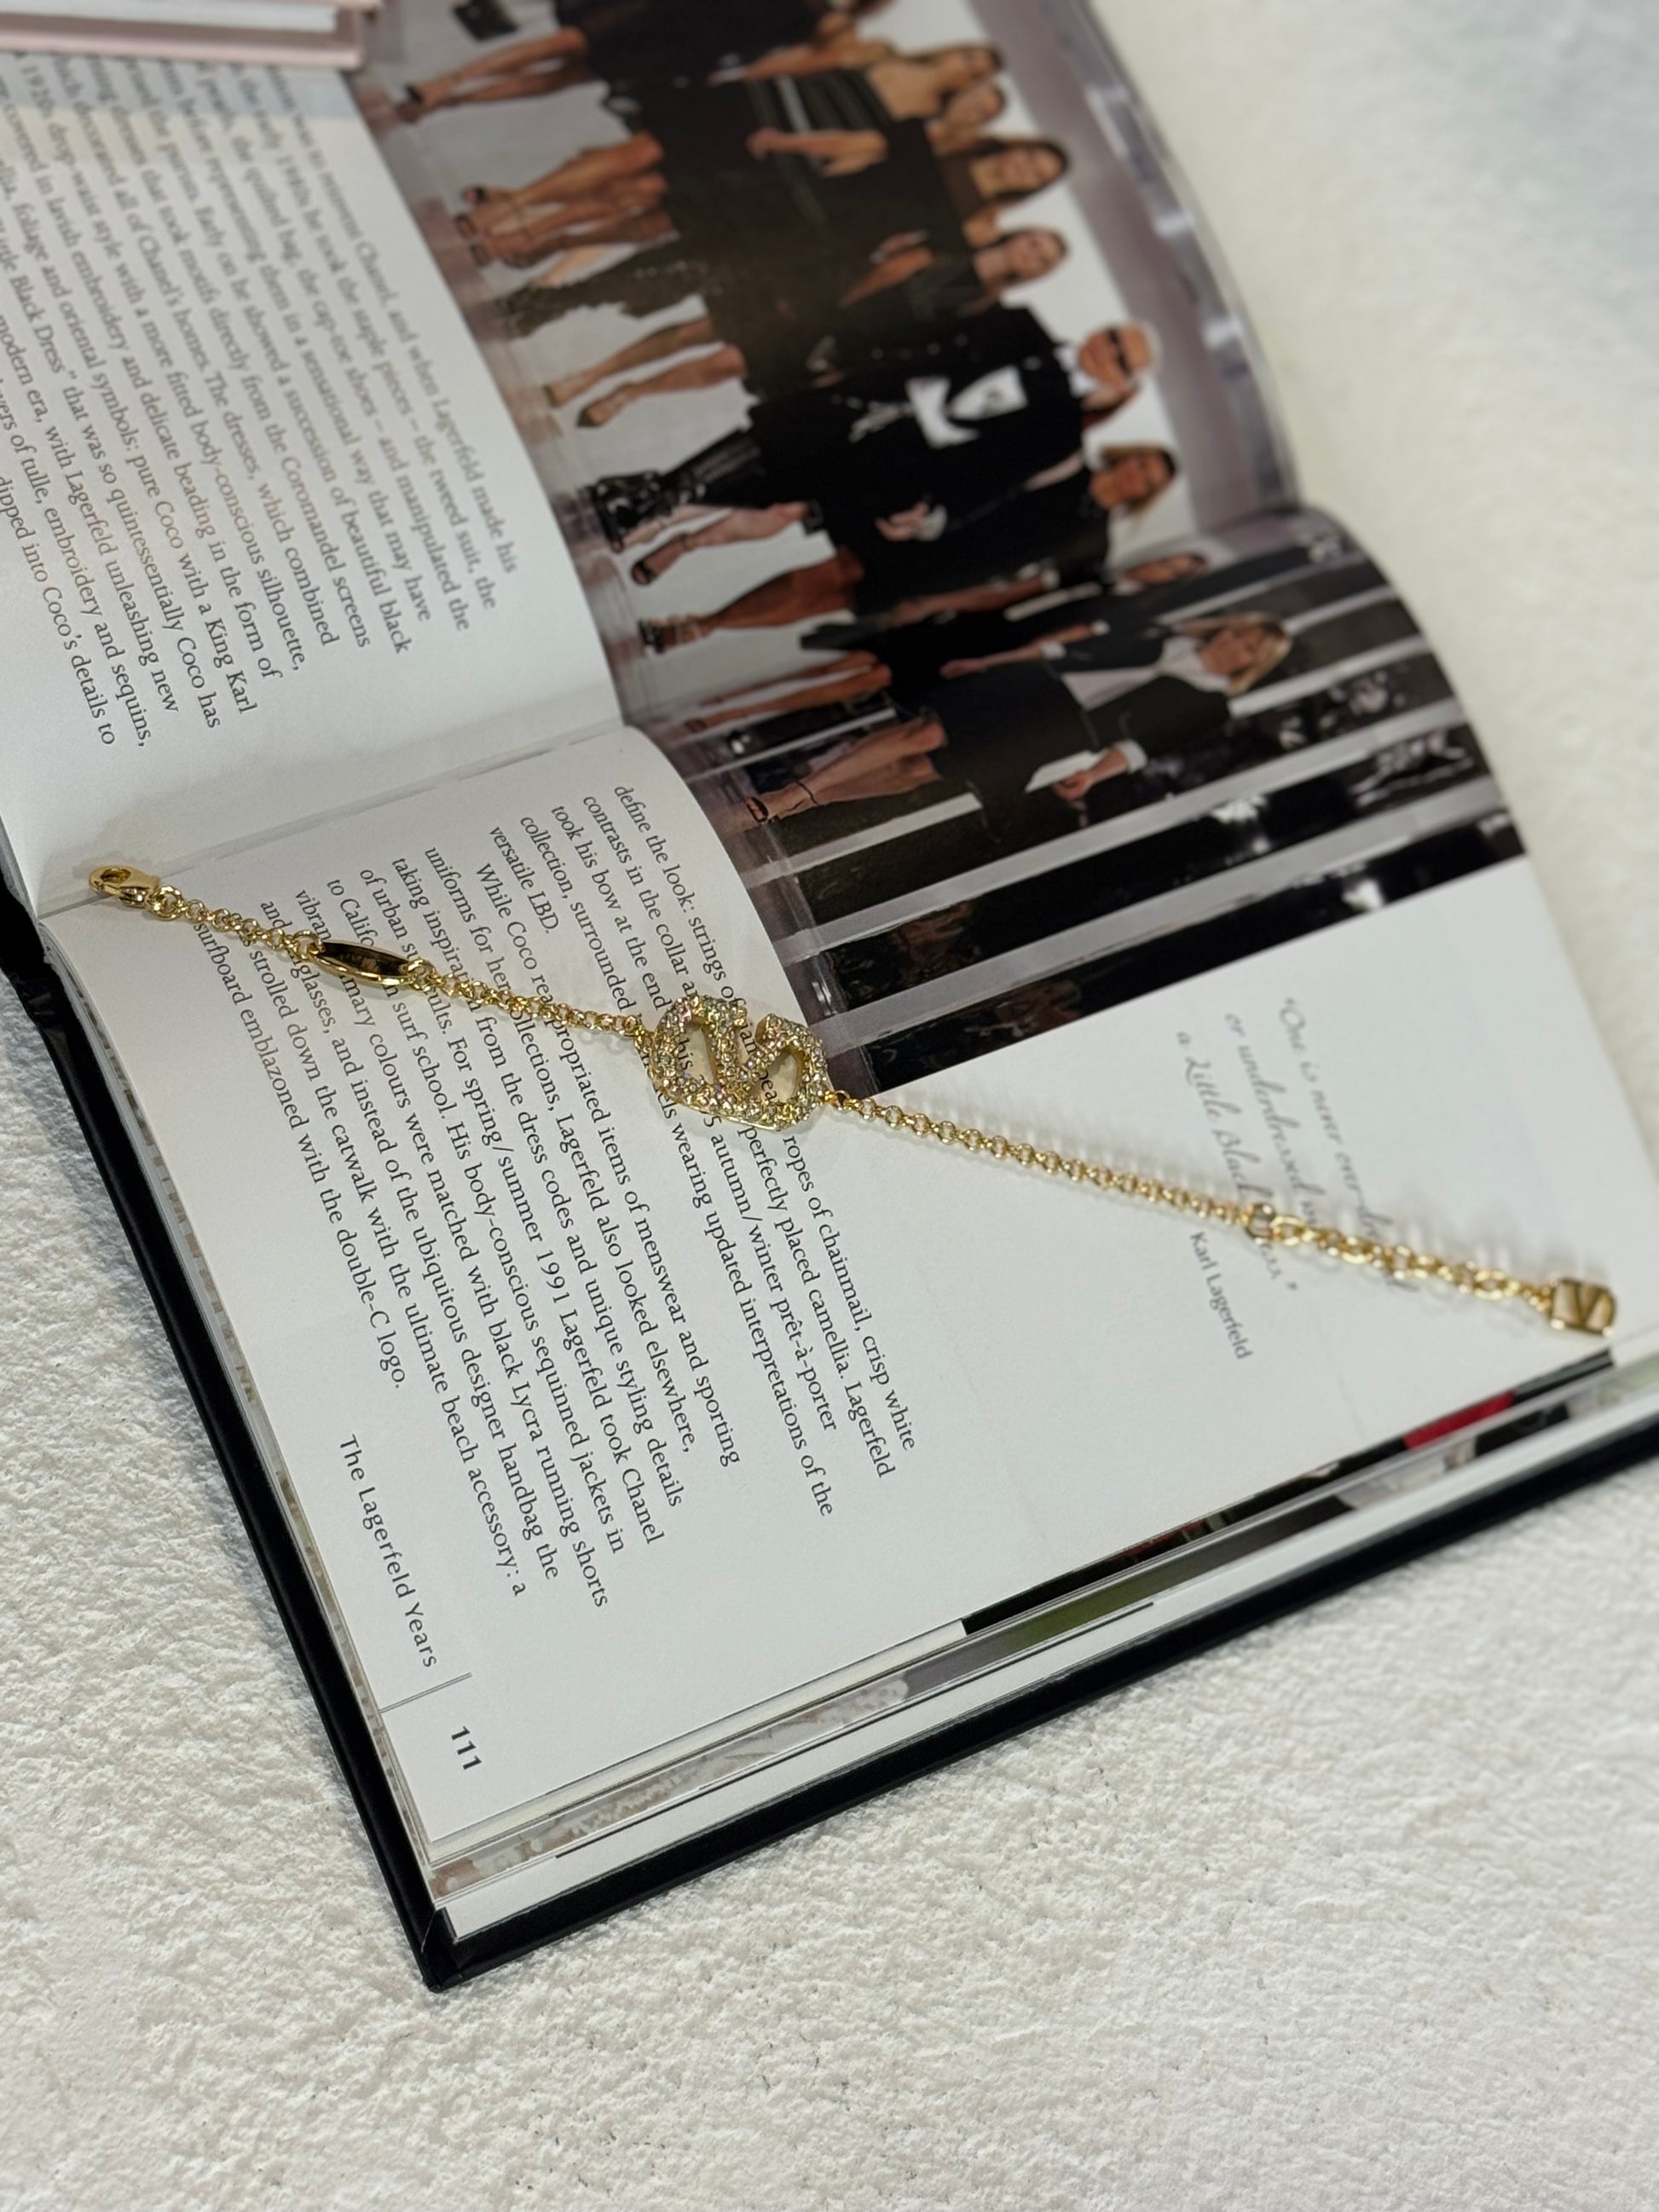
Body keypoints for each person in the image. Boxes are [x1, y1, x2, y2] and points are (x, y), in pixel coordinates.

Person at [589, 316, 1155, 564]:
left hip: (907, 460)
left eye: (1122, 359)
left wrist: (937, 516)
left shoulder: (1061, 433)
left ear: (1123, 382)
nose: (1106, 352)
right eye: (1112, 338)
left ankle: (654, 499)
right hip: (876, 396)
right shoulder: (1019, 325)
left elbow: (995, 479)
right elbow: (925, 332)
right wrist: (846, 355)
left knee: (780, 488)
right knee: (763, 440)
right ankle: (654, 496)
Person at [737, 615, 1288, 836]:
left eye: (1251, 649)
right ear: (1229, 627)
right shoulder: (1162, 632)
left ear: (1252, 665)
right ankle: (792, 793)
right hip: (1036, 685)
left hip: (1064, 731)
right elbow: (1065, 647)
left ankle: (814, 799)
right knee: (921, 733)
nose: (1237, 644)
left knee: (921, 770)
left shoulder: (1213, 707)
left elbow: (1141, 747)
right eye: (1242, 633)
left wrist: (1093, 775)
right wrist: (991, 662)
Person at [633, 446, 1180, 650]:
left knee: (830, 603)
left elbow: (1021, 583)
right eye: (1141, 463)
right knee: (823, 576)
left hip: (951, 574)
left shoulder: (1096, 544)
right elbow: (983, 477)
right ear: (1128, 456)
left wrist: (944, 601)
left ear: (1146, 495)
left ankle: (709, 625)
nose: (1136, 476)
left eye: (1148, 480)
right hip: (933, 532)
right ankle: (702, 625)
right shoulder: (1064, 461)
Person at [540, 229, 1070, 430]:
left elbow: (912, 341)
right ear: (1020, 235)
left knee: (724, 365)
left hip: (845, 339)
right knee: (695, 332)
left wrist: (843, 359)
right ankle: (593, 375)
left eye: (1043, 259)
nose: (1033, 253)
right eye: (1036, 242)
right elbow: (873, 264)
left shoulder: (982, 304)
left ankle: (628, 394)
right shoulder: (948, 242)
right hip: (815, 298)